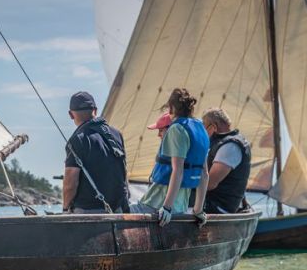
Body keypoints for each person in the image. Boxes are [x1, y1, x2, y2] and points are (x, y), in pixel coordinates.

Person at [135, 88, 210, 227]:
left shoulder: (176, 129)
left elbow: (178, 170)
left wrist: (167, 207)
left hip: (157, 203)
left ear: (171, 107)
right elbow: (204, 173)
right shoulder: (201, 129)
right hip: (181, 206)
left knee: (121, 210)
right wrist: (198, 210)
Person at [63, 91, 129, 213]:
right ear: (95, 110)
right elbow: (124, 172)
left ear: (71, 115)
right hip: (118, 211)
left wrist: (65, 209)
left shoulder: (77, 139)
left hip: (88, 212)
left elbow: (70, 184)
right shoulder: (116, 135)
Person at [201, 107, 252, 214]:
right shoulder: (226, 143)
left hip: (218, 207)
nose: (203, 132)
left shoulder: (230, 147)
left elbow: (210, 184)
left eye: (204, 128)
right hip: (213, 204)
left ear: (213, 127)